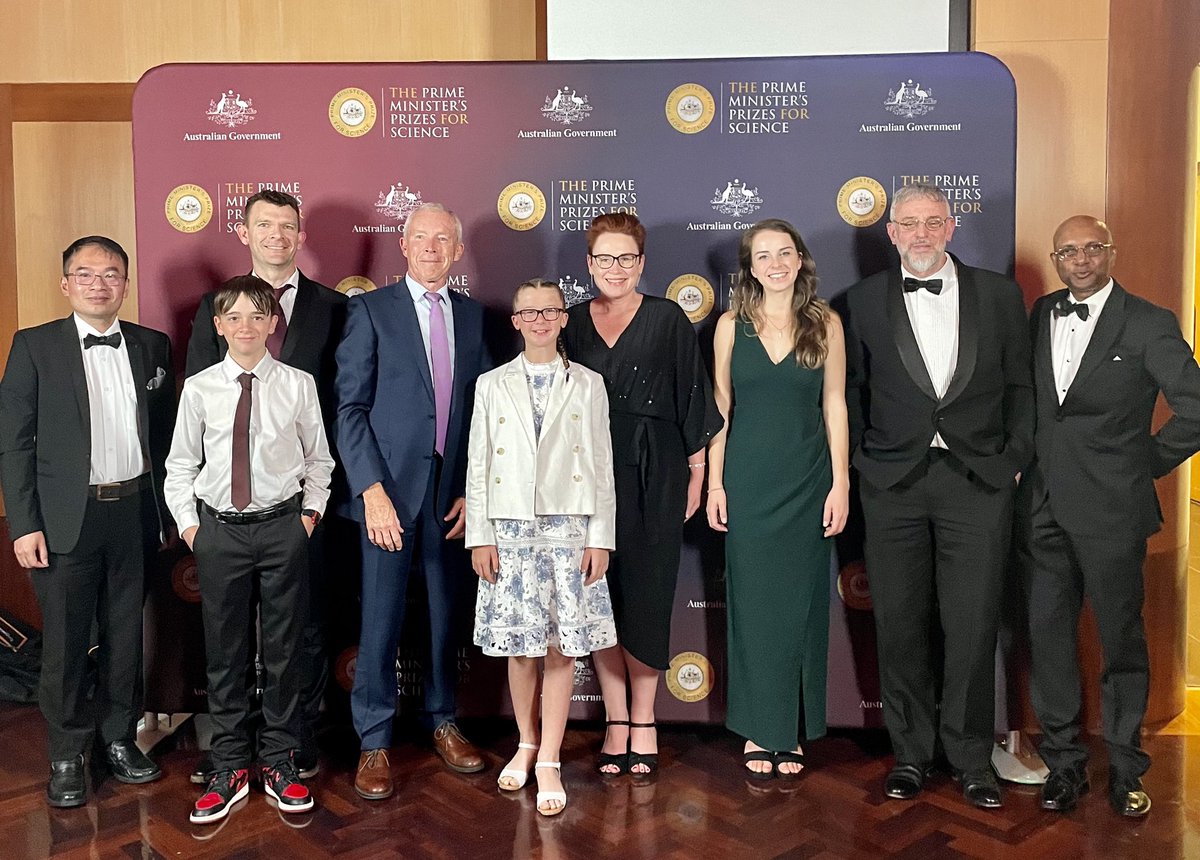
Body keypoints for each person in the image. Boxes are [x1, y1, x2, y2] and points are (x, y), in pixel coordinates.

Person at [842, 184, 1033, 809]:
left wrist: (1009, 462)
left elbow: (1021, 386)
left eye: (932, 222)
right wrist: (864, 466)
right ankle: (911, 755)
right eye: (908, 224)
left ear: (951, 227)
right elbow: (851, 394)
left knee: (973, 624)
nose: (920, 234)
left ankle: (971, 758)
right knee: (898, 624)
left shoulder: (1000, 295)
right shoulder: (863, 301)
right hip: (893, 484)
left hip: (977, 481)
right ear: (890, 233)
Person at [1019, 215, 1200, 817]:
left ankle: (1126, 768)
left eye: (1091, 248)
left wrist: (1143, 462)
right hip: (1042, 509)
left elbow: (1194, 409)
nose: (1080, 259)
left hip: (1113, 511)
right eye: (1067, 250)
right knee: (1048, 641)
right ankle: (1064, 765)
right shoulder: (1040, 313)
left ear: (1110, 252)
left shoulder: (1149, 322)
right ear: (1056, 258)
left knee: (1122, 642)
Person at [0, 236, 174, 807]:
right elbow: (13, 444)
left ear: (126, 283)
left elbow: (169, 440)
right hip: (62, 520)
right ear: (65, 283)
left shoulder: (153, 346)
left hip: (134, 514)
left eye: (111, 273)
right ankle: (67, 753)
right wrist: (24, 524)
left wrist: (169, 513)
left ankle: (119, 738)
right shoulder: (34, 346)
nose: (99, 283)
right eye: (86, 273)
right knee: (69, 642)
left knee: (127, 636)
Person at [185, 188, 347, 782]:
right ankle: (233, 749)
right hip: (224, 514)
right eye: (264, 225)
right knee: (228, 638)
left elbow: (339, 406)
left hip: (297, 505)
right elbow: (197, 407)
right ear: (245, 232)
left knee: (299, 632)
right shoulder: (215, 307)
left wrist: (311, 510)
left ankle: (291, 746)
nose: (276, 235)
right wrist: (192, 518)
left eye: (287, 225)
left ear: (300, 235)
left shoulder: (335, 307)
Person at [165, 276, 333, 823]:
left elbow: (319, 461)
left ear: (271, 324)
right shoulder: (201, 388)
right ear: (218, 326)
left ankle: (281, 761)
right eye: (233, 317)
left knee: (284, 652)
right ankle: (230, 764)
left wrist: (307, 518)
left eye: (256, 317)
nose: (245, 326)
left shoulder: (297, 384)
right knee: (226, 652)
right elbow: (179, 468)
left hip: (283, 528)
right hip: (220, 533)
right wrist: (194, 530)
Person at [336, 203, 490, 799]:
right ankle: (373, 741)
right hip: (387, 497)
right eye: (421, 238)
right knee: (380, 618)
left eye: (443, 240)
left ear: (456, 250)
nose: (432, 249)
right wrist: (371, 490)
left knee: (445, 614)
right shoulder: (371, 310)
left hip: (450, 498)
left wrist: (473, 492)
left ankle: (443, 720)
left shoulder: (475, 318)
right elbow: (349, 408)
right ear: (404, 246)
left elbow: (486, 416)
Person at [562, 213, 721, 775]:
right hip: (587, 475)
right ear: (588, 264)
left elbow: (691, 397)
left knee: (648, 595)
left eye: (625, 258)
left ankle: (646, 719)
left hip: (658, 469)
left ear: (642, 264)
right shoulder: (570, 323)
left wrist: (698, 475)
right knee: (599, 597)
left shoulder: (667, 317)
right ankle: (616, 720)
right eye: (603, 258)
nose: (614, 268)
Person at [466, 278, 618, 815]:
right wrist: (480, 533)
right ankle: (525, 743)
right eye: (528, 312)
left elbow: (602, 464)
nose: (539, 320)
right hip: (508, 529)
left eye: (549, 311)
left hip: (568, 526)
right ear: (515, 321)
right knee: (520, 645)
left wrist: (601, 537)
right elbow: (479, 462)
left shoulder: (589, 383)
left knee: (559, 646)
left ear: (563, 317)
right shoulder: (491, 383)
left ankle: (550, 756)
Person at [706, 220, 849, 778]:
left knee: (801, 610)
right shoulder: (728, 327)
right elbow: (721, 411)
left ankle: (788, 729)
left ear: (800, 259)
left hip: (809, 480)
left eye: (784, 252)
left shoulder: (827, 324)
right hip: (747, 482)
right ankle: (757, 728)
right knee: (753, 608)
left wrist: (841, 484)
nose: (775, 263)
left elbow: (835, 405)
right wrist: (716, 484)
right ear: (750, 266)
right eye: (763, 255)